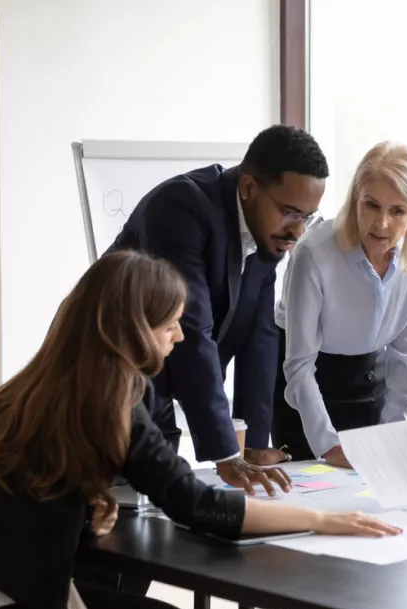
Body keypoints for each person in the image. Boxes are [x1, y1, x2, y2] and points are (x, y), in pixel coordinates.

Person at [0, 251, 401, 609]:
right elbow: (199, 505)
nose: (179, 337)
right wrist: (320, 519)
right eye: (169, 325)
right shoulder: (110, 401)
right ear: (133, 330)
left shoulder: (35, 386)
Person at [272, 141, 407, 609]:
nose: (381, 223)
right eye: (371, 205)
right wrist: (327, 443)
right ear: (354, 198)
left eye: (397, 211)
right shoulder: (315, 252)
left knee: (360, 526)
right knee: (308, 537)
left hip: (371, 386)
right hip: (306, 395)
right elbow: (298, 365)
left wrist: (386, 439)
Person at [107, 124, 330, 494]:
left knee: (157, 518)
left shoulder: (266, 233)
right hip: (110, 398)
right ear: (248, 187)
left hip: (158, 402)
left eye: (307, 217)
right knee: (110, 519)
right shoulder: (182, 208)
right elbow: (191, 332)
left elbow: (260, 334)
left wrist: (255, 445)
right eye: (291, 212)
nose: (297, 231)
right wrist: (228, 454)